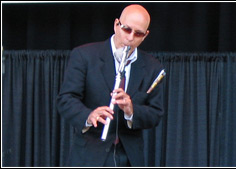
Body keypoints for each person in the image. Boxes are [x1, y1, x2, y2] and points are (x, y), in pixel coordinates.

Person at [57, 4, 164, 167]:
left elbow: (155, 113)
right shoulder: (84, 55)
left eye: (138, 34)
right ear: (116, 25)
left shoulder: (152, 67)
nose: (130, 38)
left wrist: (131, 110)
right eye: (127, 29)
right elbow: (66, 99)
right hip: (90, 155)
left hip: (129, 158)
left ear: (145, 35)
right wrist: (89, 115)